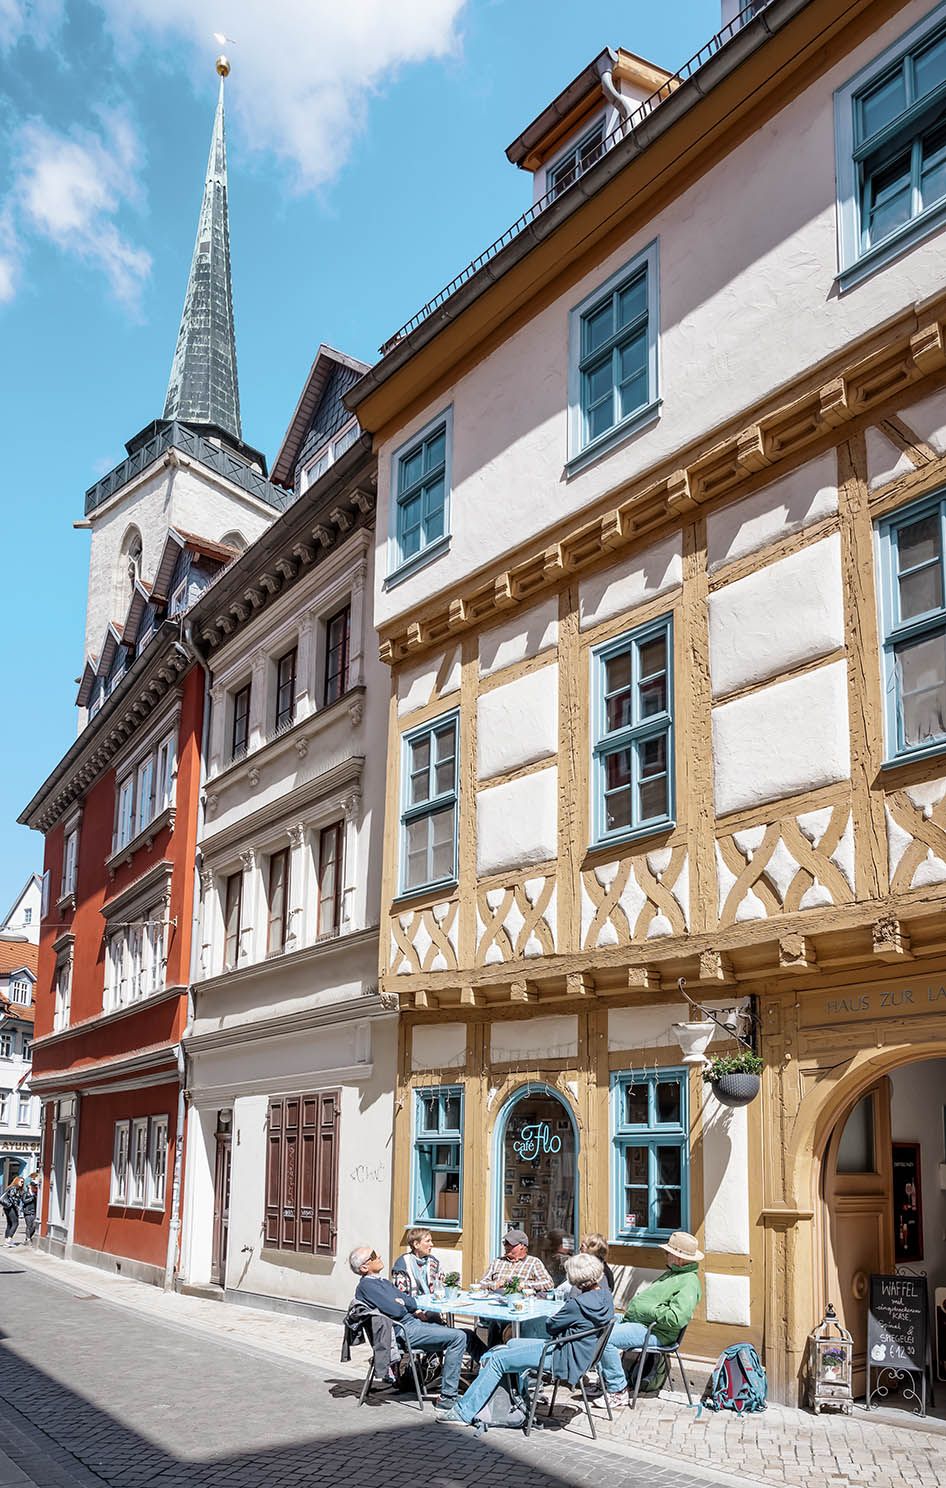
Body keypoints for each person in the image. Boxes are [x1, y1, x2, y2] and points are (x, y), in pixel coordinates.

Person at [438, 1252, 613, 1425]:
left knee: (498, 1359)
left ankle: (463, 1412)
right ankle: (519, 1401)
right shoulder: (606, 1297)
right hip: (581, 1355)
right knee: (511, 1343)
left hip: (563, 1356)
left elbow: (551, 1326)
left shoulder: (577, 1305)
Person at [349, 1245, 467, 1410]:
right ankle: (447, 1397)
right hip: (402, 1332)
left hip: (411, 1324)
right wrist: (403, 1304)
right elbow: (396, 1310)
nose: (379, 1255)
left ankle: (491, 1376)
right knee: (458, 1337)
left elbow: (411, 1302)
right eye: (374, 1255)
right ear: (364, 1267)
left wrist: (403, 1302)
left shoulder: (382, 1282)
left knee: (467, 1334)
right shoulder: (367, 1287)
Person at [598, 1230, 703, 1408]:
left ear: (679, 1258)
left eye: (668, 1252)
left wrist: (647, 1310)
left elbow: (677, 1318)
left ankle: (617, 1390)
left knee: (606, 1339)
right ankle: (604, 1382)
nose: (665, 1255)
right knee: (599, 1325)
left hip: (656, 1332)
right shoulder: (674, 1273)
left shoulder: (689, 1282)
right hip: (641, 1323)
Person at [478, 1227, 554, 1295]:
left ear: (522, 1246)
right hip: (495, 1299)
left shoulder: (533, 1262)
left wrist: (522, 1285)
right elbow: (482, 1283)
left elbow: (549, 1283)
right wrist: (496, 1284)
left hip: (521, 1300)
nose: (506, 1246)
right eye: (505, 1243)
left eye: (510, 1243)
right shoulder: (497, 1262)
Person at [392, 1227, 443, 1307]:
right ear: (416, 1244)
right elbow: (400, 1294)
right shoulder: (403, 1264)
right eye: (428, 1241)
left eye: (431, 1241)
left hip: (433, 1306)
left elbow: (441, 1286)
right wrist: (415, 1310)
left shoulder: (433, 1262)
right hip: (411, 1309)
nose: (432, 1244)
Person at [1, 1175, 23, 1247]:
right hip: (11, 1207)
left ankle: (7, 1240)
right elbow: (13, 1198)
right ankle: (9, 1239)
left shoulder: (11, 1187)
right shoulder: (14, 1188)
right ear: (17, 1181)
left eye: (23, 1182)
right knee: (15, 1223)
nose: (22, 1183)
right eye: (21, 1182)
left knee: (9, 1223)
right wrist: (17, 1207)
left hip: (7, 1207)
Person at [20, 1175, 38, 1244]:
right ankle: (28, 1239)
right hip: (27, 1211)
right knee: (29, 1225)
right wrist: (32, 1198)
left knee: (34, 1226)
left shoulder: (36, 1193)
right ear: (30, 1186)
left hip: (34, 1211)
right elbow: (24, 1201)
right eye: (34, 1186)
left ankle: (28, 1237)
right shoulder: (26, 1193)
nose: (35, 1187)